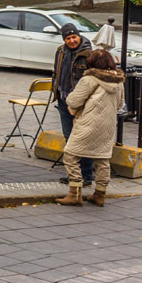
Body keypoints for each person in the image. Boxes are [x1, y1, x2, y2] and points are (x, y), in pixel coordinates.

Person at [56, 49, 124, 206]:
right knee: (102, 159)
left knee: (70, 154)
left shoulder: (89, 79)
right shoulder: (118, 81)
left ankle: (75, 193)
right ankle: (100, 194)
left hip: (88, 123)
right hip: (108, 125)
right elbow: (120, 105)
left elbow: (73, 101)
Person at [52, 22, 93, 186]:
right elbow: (56, 71)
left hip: (80, 104)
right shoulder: (60, 51)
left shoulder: (88, 53)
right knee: (69, 139)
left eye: (74, 37)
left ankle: (87, 176)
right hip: (63, 100)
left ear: (79, 35)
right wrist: (55, 88)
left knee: (82, 139)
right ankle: (74, 175)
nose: (72, 40)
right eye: (68, 38)